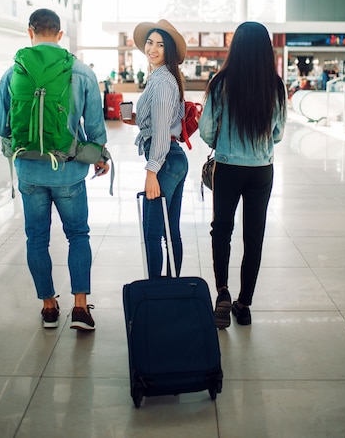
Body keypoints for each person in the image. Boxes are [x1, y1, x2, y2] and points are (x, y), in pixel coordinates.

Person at [0, 9, 109, 331]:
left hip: (28, 171)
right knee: (78, 235)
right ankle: (81, 307)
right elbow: (95, 126)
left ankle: (48, 307)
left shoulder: (13, 72)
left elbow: (0, 124)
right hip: (69, 171)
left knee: (36, 239)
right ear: (59, 34)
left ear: (30, 31)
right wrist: (100, 156)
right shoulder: (81, 72)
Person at [199, 21, 287, 329]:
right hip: (261, 170)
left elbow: (207, 129)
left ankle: (222, 292)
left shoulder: (221, 82)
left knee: (222, 229)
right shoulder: (275, 86)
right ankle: (244, 304)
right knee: (254, 235)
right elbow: (277, 133)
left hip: (228, 167)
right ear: (267, 50)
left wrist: (222, 145)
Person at [123, 19, 189, 278]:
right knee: (171, 230)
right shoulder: (165, 77)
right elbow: (169, 119)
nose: (153, 48)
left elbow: (162, 131)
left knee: (152, 232)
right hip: (174, 159)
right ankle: (173, 289)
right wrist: (137, 118)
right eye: (150, 42)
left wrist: (152, 171)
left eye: (160, 45)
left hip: (165, 161)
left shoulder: (162, 82)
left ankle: (156, 292)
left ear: (169, 50)